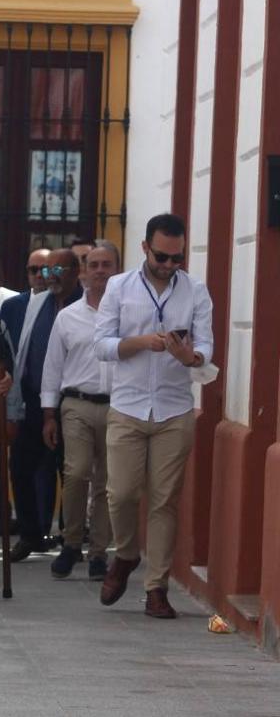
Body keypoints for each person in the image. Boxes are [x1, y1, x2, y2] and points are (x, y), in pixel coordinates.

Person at [95, 214, 213, 618]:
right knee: (121, 493)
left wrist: (189, 356)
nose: (168, 265)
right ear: (145, 247)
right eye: (161, 256)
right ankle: (127, 554)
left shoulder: (196, 291)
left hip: (174, 409)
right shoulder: (119, 287)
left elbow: (206, 348)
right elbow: (101, 345)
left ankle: (156, 588)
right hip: (127, 406)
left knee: (165, 501)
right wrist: (141, 342)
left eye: (177, 258)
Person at [40, 241, 118, 580]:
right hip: (76, 404)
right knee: (76, 472)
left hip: (117, 406)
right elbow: (52, 367)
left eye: (106, 264)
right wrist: (48, 414)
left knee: (107, 482)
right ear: (84, 271)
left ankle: (99, 552)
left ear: (117, 270)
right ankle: (71, 542)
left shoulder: (130, 315)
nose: (100, 271)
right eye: (93, 264)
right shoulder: (67, 317)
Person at [6, 248, 84, 562]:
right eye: (45, 271)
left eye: (56, 270)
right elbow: (23, 351)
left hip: (73, 401)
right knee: (21, 467)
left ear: (76, 271)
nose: (48, 277)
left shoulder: (86, 305)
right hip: (33, 400)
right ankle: (30, 533)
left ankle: (70, 536)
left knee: (72, 471)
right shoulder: (37, 304)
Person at [0, 247, 51, 347]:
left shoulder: (61, 305)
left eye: (45, 269)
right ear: (27, 272)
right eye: (33, 270)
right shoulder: (11, 306)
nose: (39, 275)